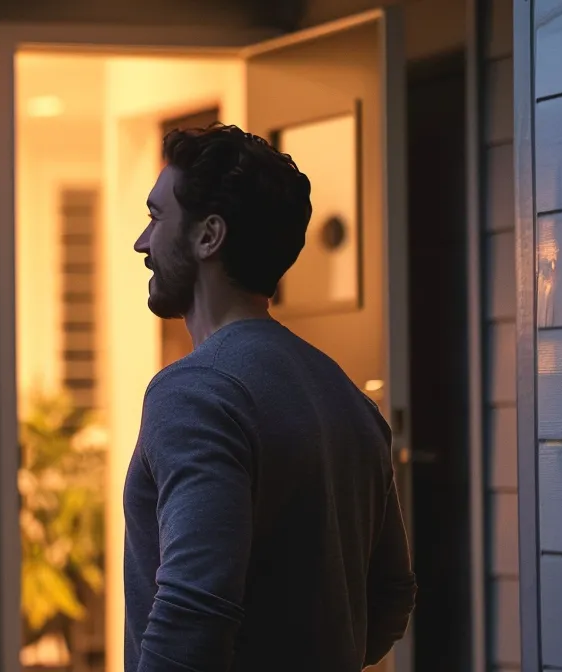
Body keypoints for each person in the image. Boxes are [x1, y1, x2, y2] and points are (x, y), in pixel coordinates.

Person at [122, 123, 416, 671]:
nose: (143, 242)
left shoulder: (194, 395)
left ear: (209, 236)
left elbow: (192, 611)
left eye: (157, 218)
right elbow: (392, 596)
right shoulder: (347, 397)